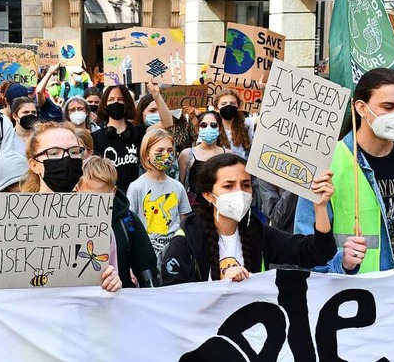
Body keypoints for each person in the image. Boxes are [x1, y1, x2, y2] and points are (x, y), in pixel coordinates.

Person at [0, 122, 122, 309]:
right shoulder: (8, 222)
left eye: (74, 152)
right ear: (34, 164)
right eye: (54, 153)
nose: (66, 159)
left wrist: (112, 283)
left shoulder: (96, 222)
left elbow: (107, 291)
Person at [160, 153, 337, 285]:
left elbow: (318, 253)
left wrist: (319, 207)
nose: (239, 192)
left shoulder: (258, 233)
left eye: (245, 185)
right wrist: (219, 284)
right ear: (208, 195)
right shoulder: (186, 240)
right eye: (228, 186)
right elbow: (174, 295)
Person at [295, 68, 394, 274]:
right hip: (363, 296)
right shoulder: (325, 165)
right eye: (389, 107)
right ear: (361, 107)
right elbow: (308, 253)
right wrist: (342, 263)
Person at [76, 156, 158, 288]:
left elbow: (146, 265)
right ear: (77, 190)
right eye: (89, 196)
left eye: (103, 197)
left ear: (113, 192)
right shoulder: (67, 222)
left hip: (120, 297)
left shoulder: (128, 221)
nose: (95, 202)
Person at [92, 82, 173, 193]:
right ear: (105, 105)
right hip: (107, 195)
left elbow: (167, 122)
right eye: (111, 100)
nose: (116, 103)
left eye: (120, 99)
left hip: (137, 193)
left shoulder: (140, 133)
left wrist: (156, 94)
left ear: (127, 104)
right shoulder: (96, 137)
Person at [126, 128, 191, 257]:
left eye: (170, 150)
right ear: (146, 155)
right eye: (160, 150)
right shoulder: (136, 187)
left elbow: (184, 220)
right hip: (146, 253)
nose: (166, 155)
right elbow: (130, 224)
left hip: (174, 252)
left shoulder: (178, 187)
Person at [179, 111, 231, 205]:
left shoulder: (228, 154)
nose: (208, 128)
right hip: (194, 209)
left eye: (213, 125)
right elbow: (181, 186)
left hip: (220, 206)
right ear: (198, 129)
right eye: (204, 125)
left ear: (220, 129)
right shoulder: (187, 154)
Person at [214, 89, 254, 159]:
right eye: (223, 104)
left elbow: (265, 118)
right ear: (216, 108)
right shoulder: (213, 127)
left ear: (238, 107)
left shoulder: (247, 124)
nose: (228, 106)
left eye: (233, 104)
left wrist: (263, 91)